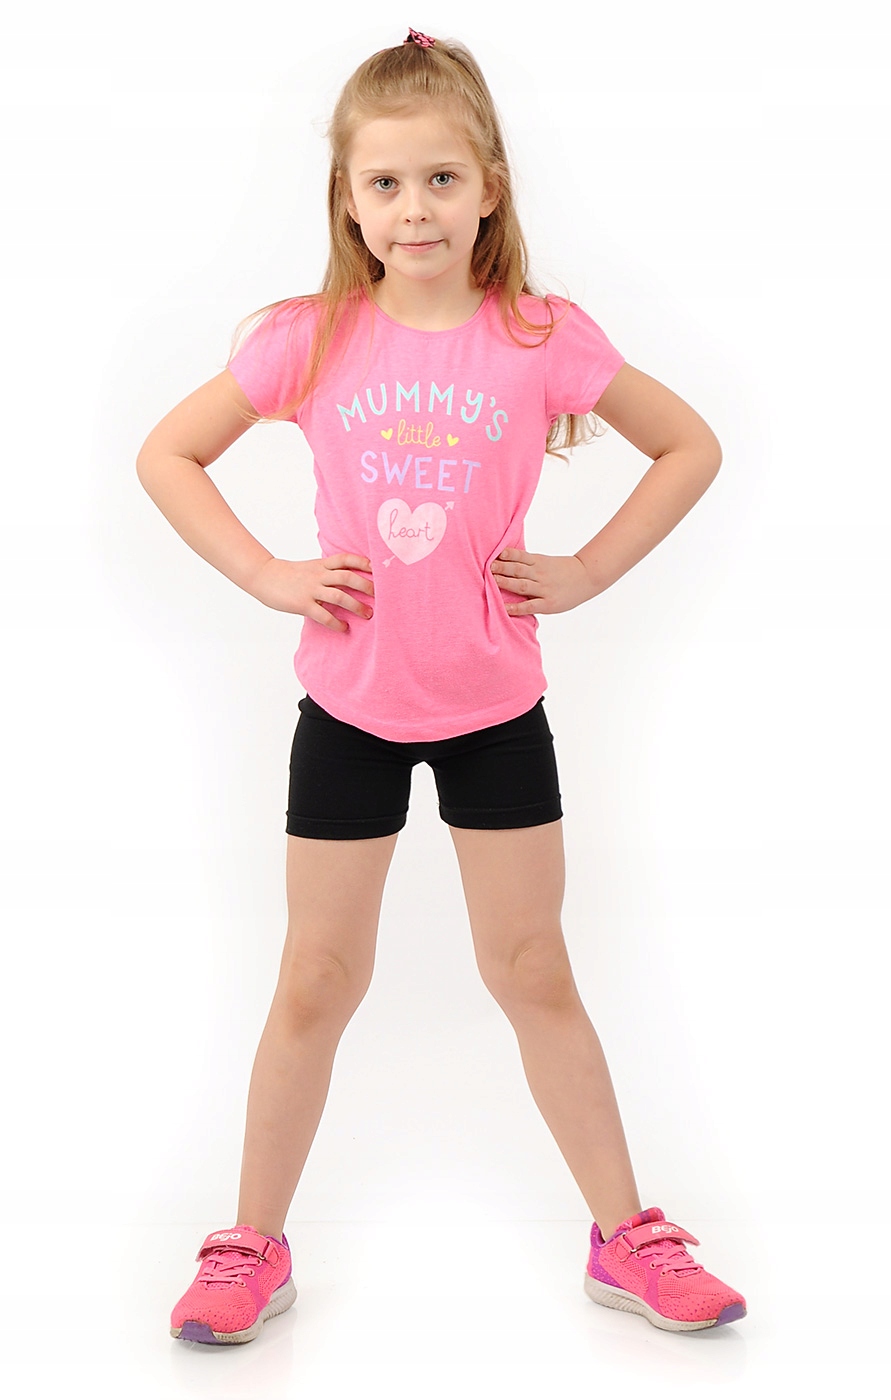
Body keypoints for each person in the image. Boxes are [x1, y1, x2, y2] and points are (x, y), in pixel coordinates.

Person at [137, 27, 747, 1345]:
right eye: (386, 183)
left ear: (488, 189)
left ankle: (626, 1234)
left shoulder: (539, 337)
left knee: (534, 967)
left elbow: (689, 446)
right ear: (348, 200)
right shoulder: (310, 340)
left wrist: (588, 568)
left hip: (496, 714)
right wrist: (265, 571)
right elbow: (168, 455)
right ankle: (250, 1244)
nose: (414, 208)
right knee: (315, 976)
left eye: (440, 179)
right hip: (348, 711)